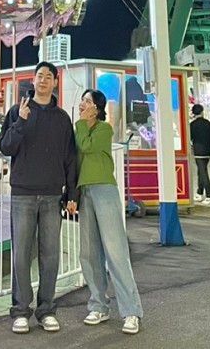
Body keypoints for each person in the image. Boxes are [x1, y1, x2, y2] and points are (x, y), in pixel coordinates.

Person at [0, 61, 77, 334]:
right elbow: (6, 147)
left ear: (55, 82)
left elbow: (70, 158)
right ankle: (21, 310)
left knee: (51, 255)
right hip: (23, 193)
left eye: (48, 76)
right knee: (21, 254)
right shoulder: (17, 112)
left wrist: (71, 192)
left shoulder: (62, 118)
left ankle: (46, 309)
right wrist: (20, 121)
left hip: (53, 194)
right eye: (39, 76)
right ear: (33, 81)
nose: (43, 80)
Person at [70, 90, 143, 335]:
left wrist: (81, 123)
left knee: (115, 250)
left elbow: (86, 147)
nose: (83, 104)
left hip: (104, 190)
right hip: (85, 191)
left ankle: (131, 310)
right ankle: (98, 304)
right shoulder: (79, 128)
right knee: (89, 252)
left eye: (88, 102)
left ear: (97, 109)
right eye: (82, 100)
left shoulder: (103, 129)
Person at [190, 103, 210, 205]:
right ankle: (199, 193)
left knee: (203, 172)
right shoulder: (207, 123)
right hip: (207, 150)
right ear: (202, 111)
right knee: (201, 171)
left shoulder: (192, 124)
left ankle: (209, 195)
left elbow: (190, 137)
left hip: (198, 151)